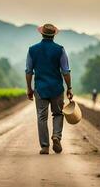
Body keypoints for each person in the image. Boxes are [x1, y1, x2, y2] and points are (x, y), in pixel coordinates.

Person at [25, 23, 73, 155]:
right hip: (57, 88)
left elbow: (29, 71)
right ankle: (56, 136)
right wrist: (69, 88)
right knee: (58, 114)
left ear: (42, 33)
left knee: (42, 117)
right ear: (53, 35)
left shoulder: (32, 50)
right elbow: (65, 71)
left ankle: (45, 147)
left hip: (40, 88)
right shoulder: (60, 50)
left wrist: (29, 89)